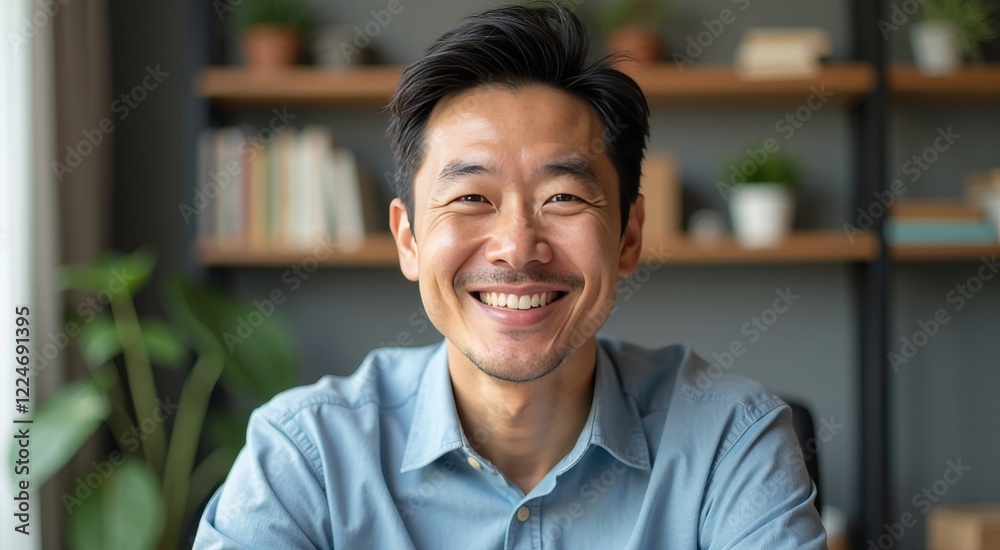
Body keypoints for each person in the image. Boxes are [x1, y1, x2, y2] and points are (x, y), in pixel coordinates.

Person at [194, 2, 827, 548]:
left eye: (564, 199)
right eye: (471, 198)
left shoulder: (729, 442)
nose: (517, 248)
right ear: (408, 239)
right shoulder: (306, 455)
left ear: (630, 235)